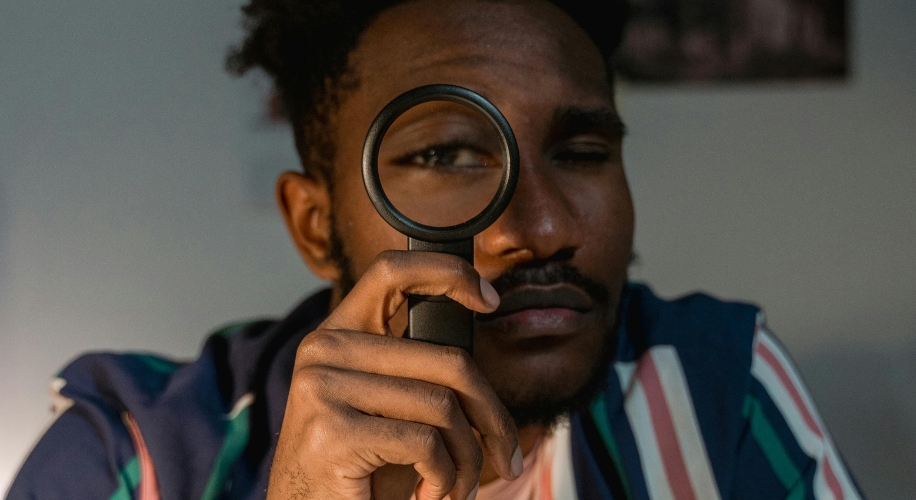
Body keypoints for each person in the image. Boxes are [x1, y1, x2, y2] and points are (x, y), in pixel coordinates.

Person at [7, 1, 863, 499]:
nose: (543, 228)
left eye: (582, 152)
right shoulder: (127, 450)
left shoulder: (719, 386)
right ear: (314, 223)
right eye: (447, 155)